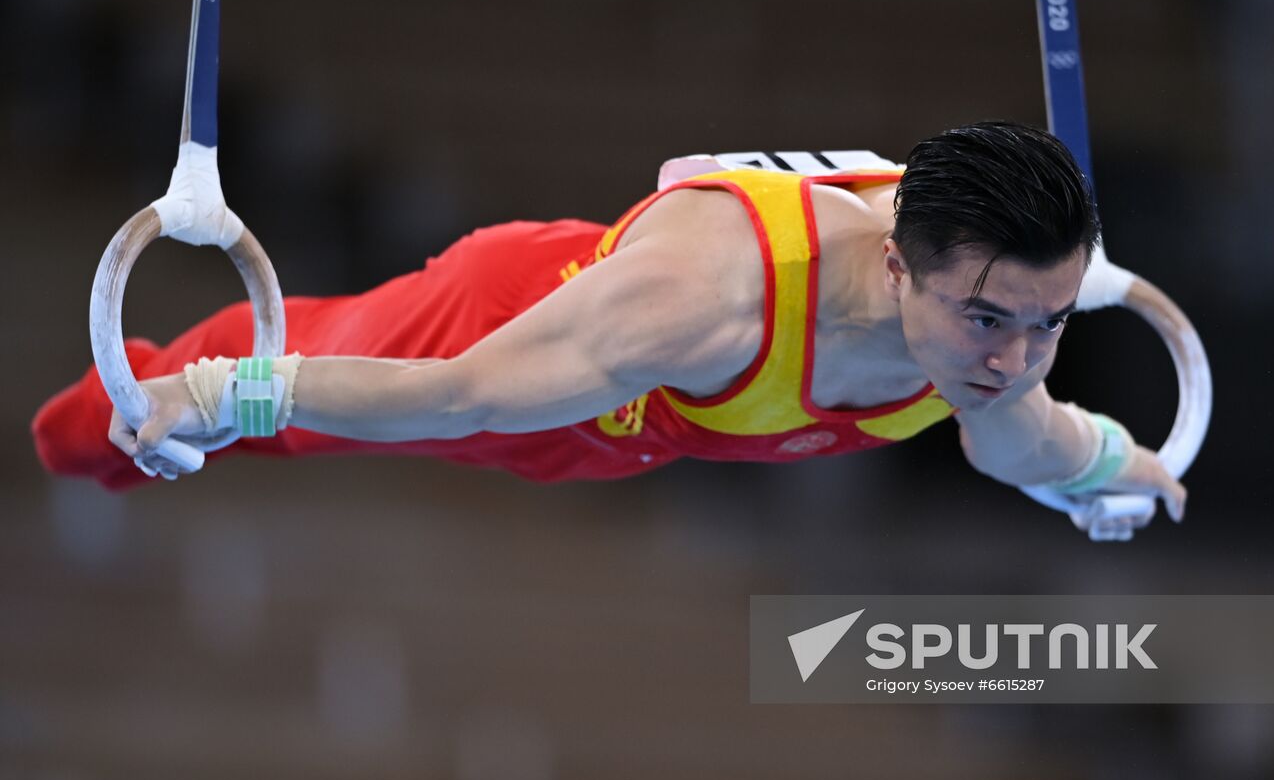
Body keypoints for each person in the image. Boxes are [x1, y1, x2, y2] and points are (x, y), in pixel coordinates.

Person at [32, 121, 1186, 534]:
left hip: (619, 433)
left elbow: (1014, 435)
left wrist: (1105, 465)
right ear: (894, 267)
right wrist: (216, 396)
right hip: (514, 331)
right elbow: (455, 396)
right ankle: (92, 422)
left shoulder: (988, 319)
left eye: (1048, 324)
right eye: (987, 320)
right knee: (268, 407)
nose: (1014, 357)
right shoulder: (705, 299)